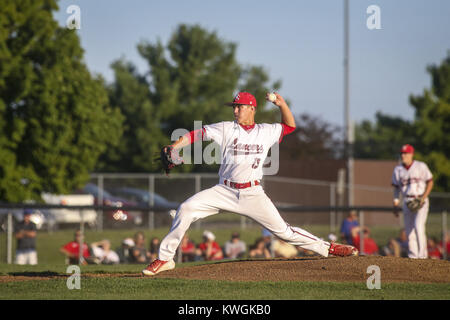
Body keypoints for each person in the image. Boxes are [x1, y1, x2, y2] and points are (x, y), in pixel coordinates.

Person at [142, 92, 357, 276]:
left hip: (253, 193)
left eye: (239, 107)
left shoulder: (266, 131)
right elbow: (197, 133)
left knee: (285, 232)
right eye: (234, 107)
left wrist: (281, 104)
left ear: (251, 108)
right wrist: (175, 145)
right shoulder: (226, 128)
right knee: (185, 209)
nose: (235, 111)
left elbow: (289, 126)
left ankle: (329, 248)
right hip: (224, 190)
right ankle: (165, 259)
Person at [392, 144, 434, 259]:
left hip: (420, 199)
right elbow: (396, 189)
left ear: (411, 154)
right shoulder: (398, 170)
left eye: (405, 153)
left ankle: (422, 256)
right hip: (407, 200)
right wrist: (395, 204)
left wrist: (423, 198)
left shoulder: (421, 166)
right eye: (402, 153)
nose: (403, 155)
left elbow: (430, 182)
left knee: (418, 226)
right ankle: (413, 256)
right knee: (409, 230)